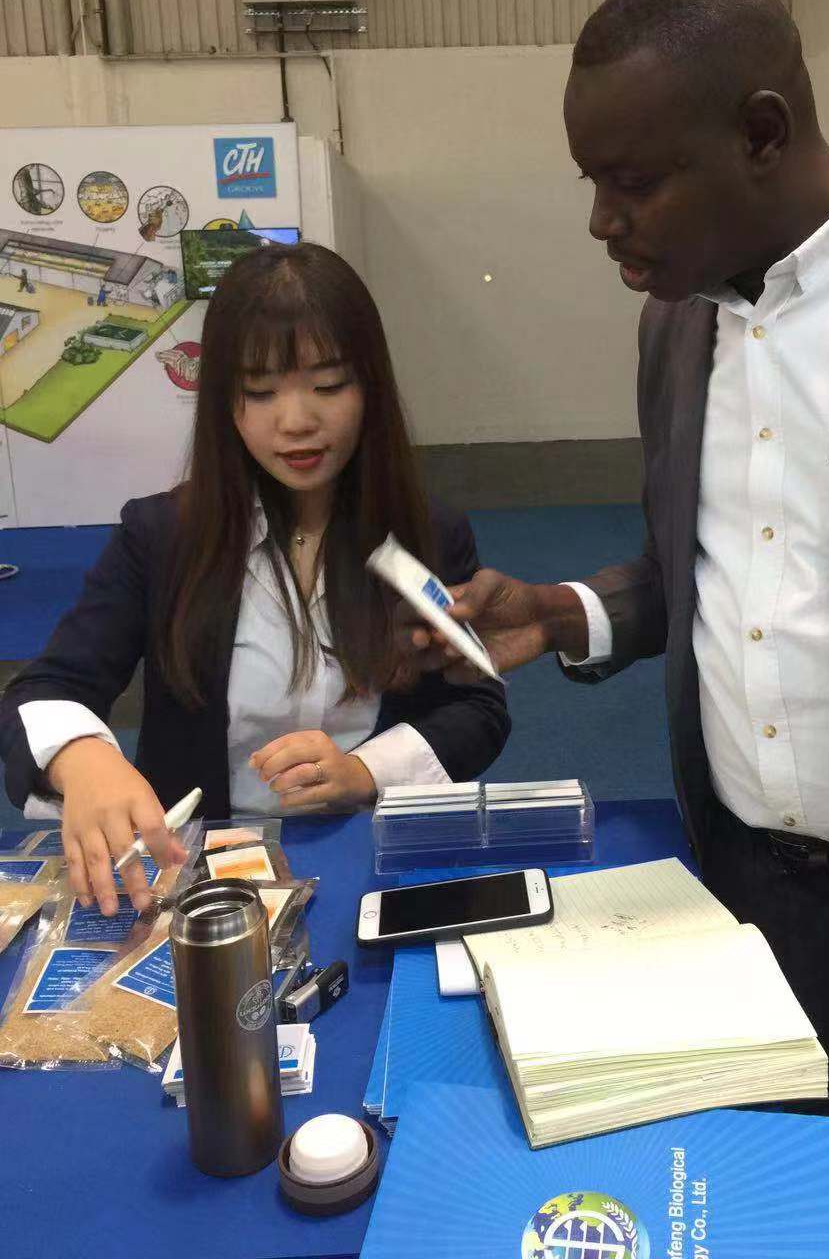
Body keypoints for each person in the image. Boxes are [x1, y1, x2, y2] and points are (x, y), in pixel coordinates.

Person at [401, 0, 829, 1258]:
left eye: (631, 181)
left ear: (762, 134)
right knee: (758, 1227)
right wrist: (563, 612)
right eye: (590, 182)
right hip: (746, 921)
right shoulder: (676, 326)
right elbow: (709, 571)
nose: (601, 222)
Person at [0, 242, 509, 919]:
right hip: (201, 881)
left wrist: (364, 772)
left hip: (369, 856)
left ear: (371, 388)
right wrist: (84, 758)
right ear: (224, 402)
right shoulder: (163, 536)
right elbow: (44, 690)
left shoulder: (423, 537)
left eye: (329, 385)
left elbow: (478, 708)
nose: (296, 421)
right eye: (260, 392)